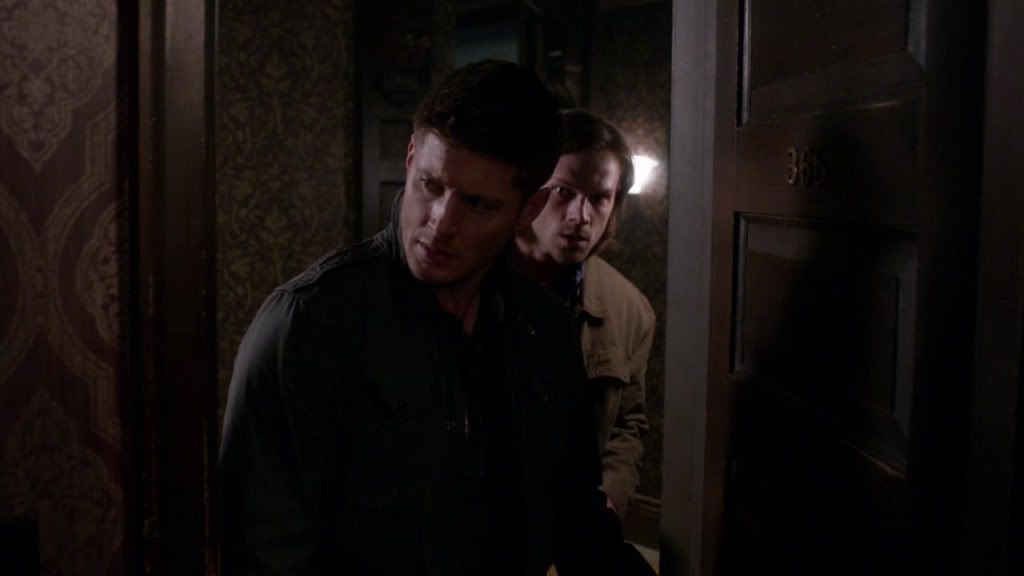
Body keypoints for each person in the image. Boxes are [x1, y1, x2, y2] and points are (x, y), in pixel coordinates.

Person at [218, 61, 644, 575]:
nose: (441, 223)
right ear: (411, 156)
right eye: (431, 184)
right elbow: (264, 551)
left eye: (478, 205)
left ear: (527, 209)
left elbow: (577, 519)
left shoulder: (545, 330)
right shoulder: (309, 322)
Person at [513, 109, 655, 521]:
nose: (580, 216)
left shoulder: (630, 309)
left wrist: (610, 497)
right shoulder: (471, 277)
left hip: (569, 524)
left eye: (598, 198)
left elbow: (627, 426)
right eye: (563, 192)